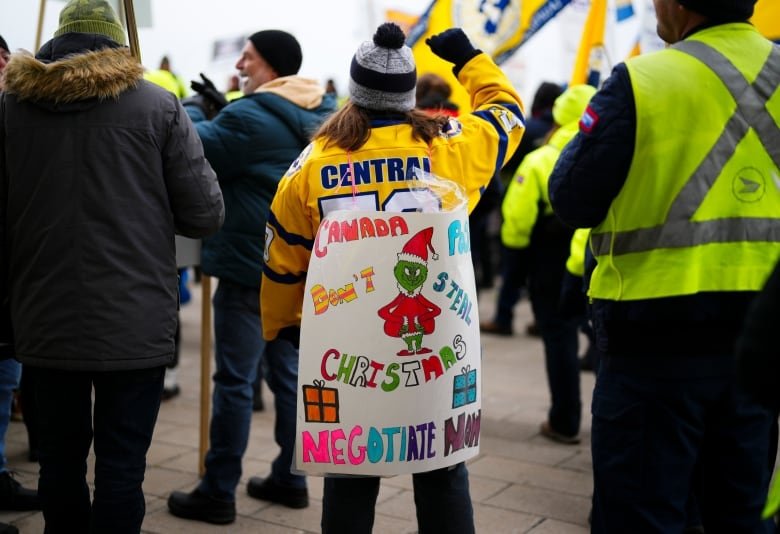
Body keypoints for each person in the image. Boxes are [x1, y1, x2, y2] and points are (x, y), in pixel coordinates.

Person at [260, 22, 525, 533]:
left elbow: (281, 258)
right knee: (443, 472)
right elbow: (507, 113)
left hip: (347, 351)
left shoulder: (311, 165)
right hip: (435, 347)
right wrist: (469, 59)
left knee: (350, 475)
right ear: (407, 96)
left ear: (354, 91)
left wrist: (284, 327)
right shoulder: (450, 147)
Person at [549, 0, 779, 530]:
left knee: (641, 512)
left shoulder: (642, 80)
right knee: (740, 511)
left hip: (653, 337)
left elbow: (572, 198)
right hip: (764, 335)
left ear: (678, 3)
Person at [0, 1, 225, 532]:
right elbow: (205, 214)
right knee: (123, 471)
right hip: (136, 319)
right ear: (116, 42)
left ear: (59, 41)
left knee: (59, 465)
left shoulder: (11, 108)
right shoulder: (158, 106)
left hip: (42, 315)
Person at [167, 29, 336, 524]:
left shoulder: (248, 115)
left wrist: (198, 108)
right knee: (288, 376)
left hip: (248, 267)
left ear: (272, 66)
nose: (241, 63)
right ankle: (291, 476)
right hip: (302, 266)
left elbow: (192, 145)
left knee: (236, 380)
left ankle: (218, 489)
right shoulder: (324, 113)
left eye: (250, 56)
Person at [500, 84, 596, 444]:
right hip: (600, 264)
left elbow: (517, 223)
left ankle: (565, 419)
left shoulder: (540, 160)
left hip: (550, 267)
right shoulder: (609, 153)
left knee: (559, 340)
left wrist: (514, 263)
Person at [481, 80, 564, 336]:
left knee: (512, 271)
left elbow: (502, 164)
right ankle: (541, 320)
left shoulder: (525, 130)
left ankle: (503, 317)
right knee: (543, 276)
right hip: (553, 217)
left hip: (520, 205)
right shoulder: (557, 132)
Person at [0, 34, 39, 534]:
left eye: (7, 55)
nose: (6, 64)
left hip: (13, 278)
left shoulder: (16, 113)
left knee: (7, 378)